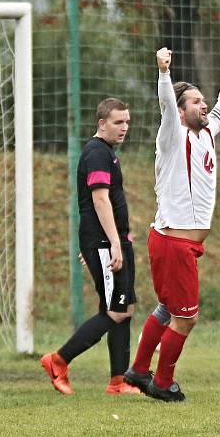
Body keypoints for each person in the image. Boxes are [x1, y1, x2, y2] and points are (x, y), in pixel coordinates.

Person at [124, 42, 220, 402]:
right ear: (180, 110)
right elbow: (165, 105)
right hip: (174, 243)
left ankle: (139, 369)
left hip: (176, 242)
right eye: (195, 102)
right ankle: (162, 383)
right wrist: (164, 73)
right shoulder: (173, 135)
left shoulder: (206, 132)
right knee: (186, 318)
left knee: (167, 308)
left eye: (202, 100)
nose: (203, 105)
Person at [40, 98, 141, 396]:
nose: (124, 128)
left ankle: (118, 382)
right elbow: (99, 200)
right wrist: (112, 244)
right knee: (116, 311)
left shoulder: (106, 152)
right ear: (101, 123)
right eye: (117, 122)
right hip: (105, 241)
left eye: (127, 122)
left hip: (112, 240)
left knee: (124, 307)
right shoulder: (97, 153)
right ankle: (58, 361)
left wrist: (122, 238)